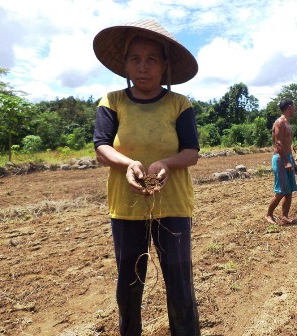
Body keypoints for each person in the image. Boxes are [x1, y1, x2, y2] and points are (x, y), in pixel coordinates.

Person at [92, 20, 200, 335]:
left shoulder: (179, 104)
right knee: (129, 283)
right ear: (125, 64)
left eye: (151, 59)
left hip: (174, 208)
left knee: (179, 282)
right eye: (135, 59)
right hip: (127, 209)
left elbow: (191, 151)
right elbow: (101, 147)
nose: (142, 67)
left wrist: (166, 163)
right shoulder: (112, 102)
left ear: (164, 65)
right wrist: (128, 164)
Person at [265, 99, 297, 226]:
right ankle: (269, 214)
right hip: (280, 159)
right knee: (281, 191)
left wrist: (293, 162)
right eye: (294, 107)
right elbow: (278, 144)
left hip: (287, 158)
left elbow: (287, 146)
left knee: (289, 190)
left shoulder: (287, 123)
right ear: (289, 107)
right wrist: (286, 162)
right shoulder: (280, 122)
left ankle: (285, 217)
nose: (294, 109)